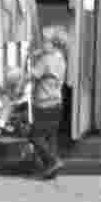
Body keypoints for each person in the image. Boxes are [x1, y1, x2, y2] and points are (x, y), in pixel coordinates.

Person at [26, 24, 69, 180]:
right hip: (57, 103)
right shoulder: (60, 58)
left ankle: (52, 161)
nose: (42, 44)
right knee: (50, 136)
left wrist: (30, 60)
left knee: (35, 136)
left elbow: (32, 75)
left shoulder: (46, 60)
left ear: (53, 44)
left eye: (45, 41)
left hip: (43, 103)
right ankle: (50, 169)